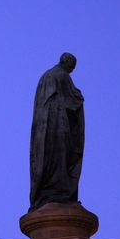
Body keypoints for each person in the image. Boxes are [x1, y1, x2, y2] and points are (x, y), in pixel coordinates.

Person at [29, 52, 85, 211]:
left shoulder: (46, 76)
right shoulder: (62, 76)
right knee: (61, 155)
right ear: (66, 63)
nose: (72, 71)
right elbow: (73, 101)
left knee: (48, 156)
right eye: (72, 67)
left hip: (44, 126)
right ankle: (58, 189)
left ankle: (47, 189)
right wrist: (80, 97)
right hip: (58, 122)